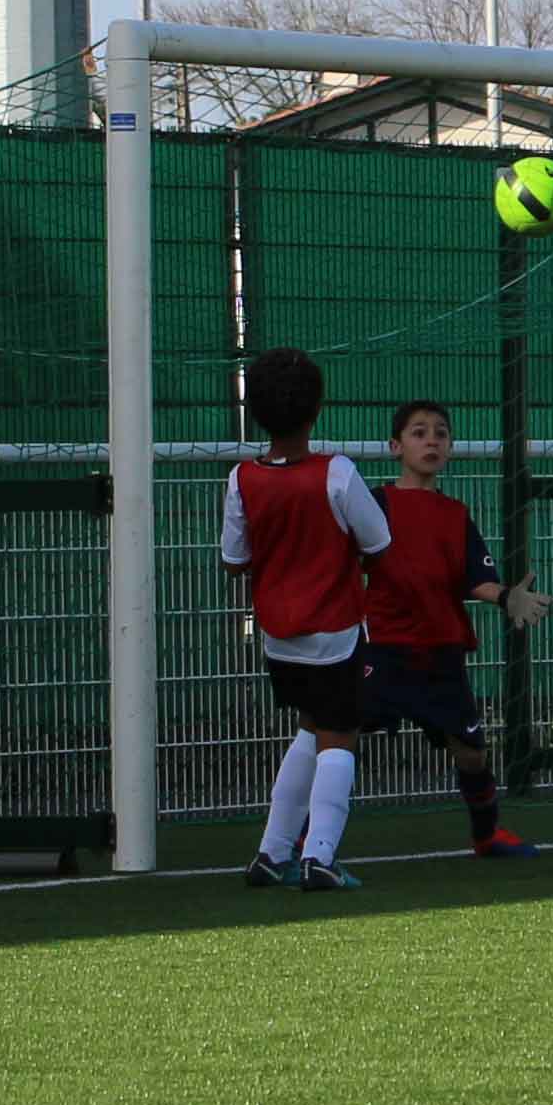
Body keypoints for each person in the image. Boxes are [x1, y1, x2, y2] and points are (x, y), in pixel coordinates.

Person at [225, 345, 392, 893]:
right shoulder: (337, 473)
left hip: (279, 639)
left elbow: (233, 560)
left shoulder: (242, 478)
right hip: (337, 633)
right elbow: (379, 542)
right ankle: (320, 856)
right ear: (318, 410)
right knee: (340, 737)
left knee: (310, 728)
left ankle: (271, 853)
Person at [357, 399, 546, 859]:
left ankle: (487, 834)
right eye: (420, 432)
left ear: (451, 448)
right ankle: (305, 838)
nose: (432, 440)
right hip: (382, 649)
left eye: (441, 433)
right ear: (395, 446)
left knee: (471, 751)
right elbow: (345, 561)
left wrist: (506, 596)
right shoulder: (373, 503)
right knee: (340, 740)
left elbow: (476, 579)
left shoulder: (456, 514)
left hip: (441, 652)